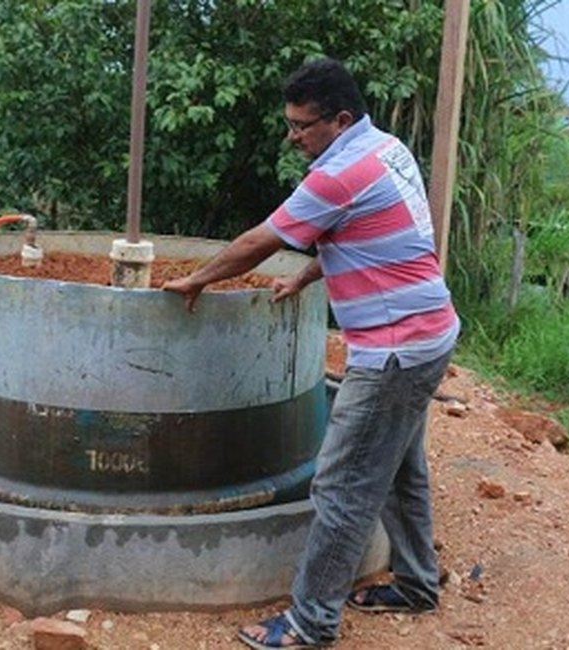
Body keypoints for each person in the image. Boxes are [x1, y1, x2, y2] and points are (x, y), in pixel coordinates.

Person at [163, 57, 459, 650]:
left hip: (394, 350)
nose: (293, 136)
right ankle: (418, 582)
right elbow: (370, 233)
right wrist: (305, 277)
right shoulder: (386, 150)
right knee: (401, 470)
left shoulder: (337, 174)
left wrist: (197, 280)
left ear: (339, 119)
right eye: (290, 124)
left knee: (341, 486)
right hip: (431, 332)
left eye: (302, 126)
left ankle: (310, 623)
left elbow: (255, 242)